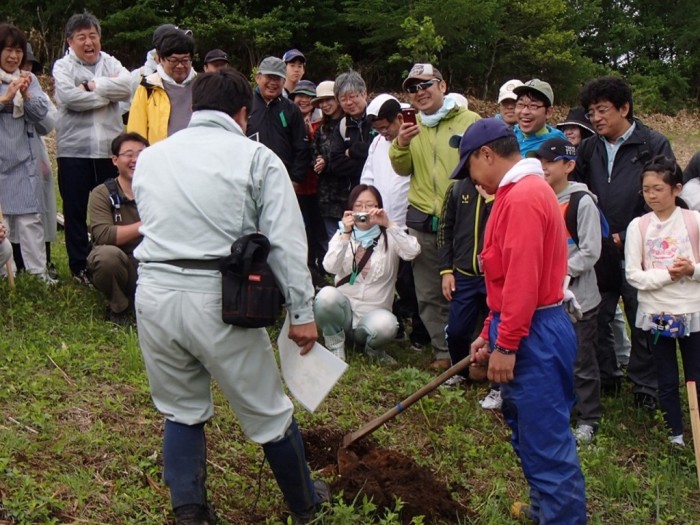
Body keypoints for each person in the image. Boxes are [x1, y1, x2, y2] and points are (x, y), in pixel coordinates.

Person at [132, 68, 328, 524]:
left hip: (155, 291)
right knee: (269, 412)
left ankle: (191, 514)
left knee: (180, 409)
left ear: (195, 106)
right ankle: (305, 506)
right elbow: (285, 240)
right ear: (243, 113)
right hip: (218, 296)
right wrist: (301, 311)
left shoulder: (153, 157)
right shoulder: (255, 158)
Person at [463, 118, 586, 524]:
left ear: (487, 154)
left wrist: (507, 343)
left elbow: (522, 280)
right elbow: (503, 280)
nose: (470, 176)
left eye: (470, 165)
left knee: (545, 439)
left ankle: (562, 517)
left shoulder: (524, 197)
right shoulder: (517, 193)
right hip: (520, 323)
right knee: (528, 432)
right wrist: (489, 332)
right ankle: (545, 509)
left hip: (535, 329)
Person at [574, 76, 677, 409]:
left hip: (641, 249)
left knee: (642, 317)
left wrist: (630, 232)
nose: (596, 118)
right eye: (591, 112)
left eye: (602, 110)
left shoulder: (652, 144)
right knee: (597, 314)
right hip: (599, 249)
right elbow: (578, 192)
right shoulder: (588, 148)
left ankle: (646, 386)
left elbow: (662, 195)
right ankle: (607, 376)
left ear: (624, 108)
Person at [389, 62, 481, 370]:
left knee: (468, 288)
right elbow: (401, 168)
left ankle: (475, 353)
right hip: (422, 219)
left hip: (464, 218)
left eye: (426, 85)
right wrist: (401, 143)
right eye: (413, 88)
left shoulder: (469, 120)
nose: (420, 93)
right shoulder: (411, 124)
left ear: (443, 85)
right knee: (428, 291)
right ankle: (444, 353)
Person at [531, 137, 603, 445]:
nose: (544, 166)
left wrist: (561, 272)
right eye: (541, 161)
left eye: (551, 161)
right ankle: (560, 410)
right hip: (547, 299)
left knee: (581, 360)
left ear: (569, 166)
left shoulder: (581, 201)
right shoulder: (539, 198)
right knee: (552, 358)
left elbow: (590, 250)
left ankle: (589, 418)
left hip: (580, 298)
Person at [625, 155, 700, 446]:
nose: (652, 195)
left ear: (676, 189)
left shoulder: (693, 221)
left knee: (695, 372)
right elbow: (633, 275)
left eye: (658, 188)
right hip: (658, 312)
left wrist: (690, 270)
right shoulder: (638, 227)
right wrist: (668, 276)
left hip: (693, 310)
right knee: (666, 374)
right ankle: (675, 433)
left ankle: (696, 426)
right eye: (646, 189)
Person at [53, 12, 132, 284]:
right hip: (73, 150)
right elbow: (69, 98)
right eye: (81, 37)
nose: (89, 42)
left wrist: (92, 87)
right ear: (69, 41)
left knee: (113, 208)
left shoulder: (111, 62)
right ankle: (79, 267)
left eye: (93, 35)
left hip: (107, 151)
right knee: (75, 210)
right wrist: (108, 96)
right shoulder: (63, 67)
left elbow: (128, 87)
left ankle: (112, 259)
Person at [315, 184, 420, 363]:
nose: (364, 210)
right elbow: (329, 267)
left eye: (370, 205)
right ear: (351, 210)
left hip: (374, 316)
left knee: (387, 325)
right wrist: (345, 235)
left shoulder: (389, 236)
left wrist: (389, 224)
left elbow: (412, 251)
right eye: (359, 205)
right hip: (344, 314)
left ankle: (374, 350)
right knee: (325, 297)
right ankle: (335, 345)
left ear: (378, 208)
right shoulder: (343, 233)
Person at [361, 94, 430, 351]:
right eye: (378, 129)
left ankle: (422, 331)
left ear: (399, 119)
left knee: (417, 280)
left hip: (410, 221)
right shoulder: (378, 143)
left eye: (385, 127)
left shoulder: (417, 137)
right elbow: (368, 177)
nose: (383, 133)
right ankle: (398, 322)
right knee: (392, 278)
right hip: (384, 223)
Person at [437, 136, 492, 387]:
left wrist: (492, 201)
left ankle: (496, 383)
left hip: (494, 277)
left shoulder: (503, 189)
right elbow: (444, 231)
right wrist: (446, 271)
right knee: (457, 330)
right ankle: (459, 372)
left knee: (495, 332)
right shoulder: (458, 189)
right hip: (464, 274)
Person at [0, 23, 52, 283]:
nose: (13, 56)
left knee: (30, 219)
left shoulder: (28, 80)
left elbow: (44, 115)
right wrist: (4, 99)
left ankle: (37, 274)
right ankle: (4, 274)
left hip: (25, 161)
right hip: (0, 162)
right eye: (8, 50)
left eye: (18, 50)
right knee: (2, 223)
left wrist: (26, 96)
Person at [87, 132, 147, 325]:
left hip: (154, 263)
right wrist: (146, 226)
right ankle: (119, 307)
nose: (135, 159)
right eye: (129, 154)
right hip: (124, 266)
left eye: (141, 153)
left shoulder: (160, 189)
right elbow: (104, 235)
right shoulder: (102, 193)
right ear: (114, 160)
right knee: (105, 257)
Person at [248, 56, 310, 188]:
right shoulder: (245, 105)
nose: (273, 82)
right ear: (258, 77)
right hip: (250, 179)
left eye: (277, 78)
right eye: (269, 77)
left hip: (283, 180)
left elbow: (301, 147)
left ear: (284, 81)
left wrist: (296, 179)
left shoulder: (291, 109)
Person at [127, 30, 197, 144]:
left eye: (185, 60)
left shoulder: (201, 86)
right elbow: (136, 132)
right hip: (159, 158)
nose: (180, 66)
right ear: (160, 59)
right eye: (173, 61)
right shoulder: (148, 87)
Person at [290, 80, 326, 287]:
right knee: (302, 234)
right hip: (297, 187)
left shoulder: (322, 121)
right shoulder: (289, 119)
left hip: (318, 188)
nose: (303, 100)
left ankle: (324, 272)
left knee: (319, 231)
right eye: (299, 96)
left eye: (307, 96)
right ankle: (307, 273)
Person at [311, 80, 346, 239]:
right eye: (321, 102)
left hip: (348, 196)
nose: (325, 105)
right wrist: (317, 162)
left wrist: (327, 161)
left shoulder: (350, 124)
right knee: (332, 246)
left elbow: (350, 155)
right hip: (326, 198)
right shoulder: (321, 129)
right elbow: (312, 154)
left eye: (328, 99)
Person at [329, 70, 374, 190]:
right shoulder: (342, 126)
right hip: (354, 191)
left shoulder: (377, 118)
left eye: (352, 97)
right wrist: (368, 160)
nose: (348, 102)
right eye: (343, 99)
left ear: (364, 93)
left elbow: (383, 153)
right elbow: (336, 164)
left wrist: (353, 151)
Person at [511, 79, 566, 156]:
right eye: (520, 104)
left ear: (548, 112)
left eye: (533, 106)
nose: (524, 111)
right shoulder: (507, 136)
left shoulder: (557, 144)